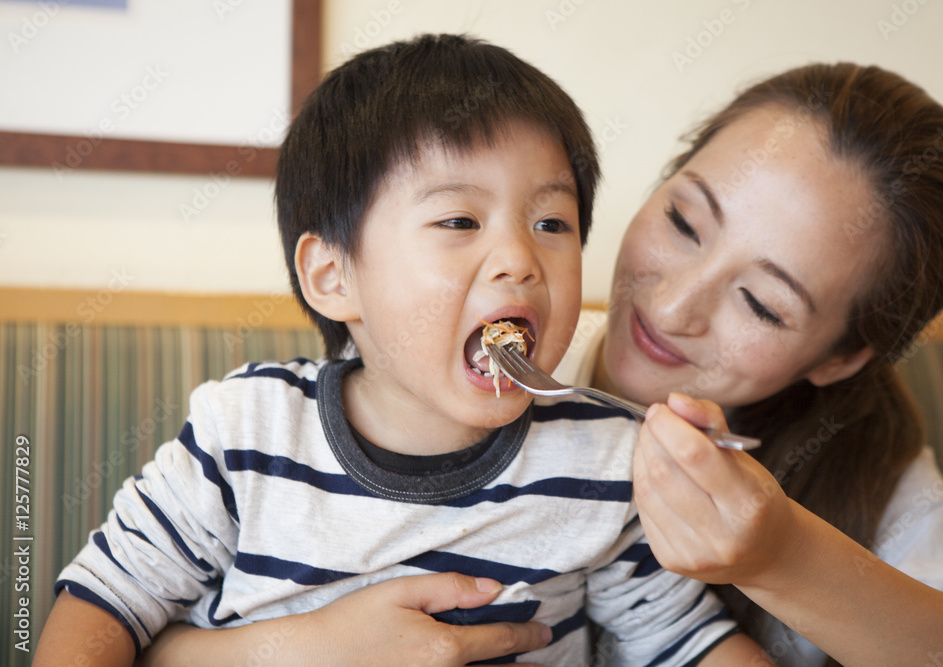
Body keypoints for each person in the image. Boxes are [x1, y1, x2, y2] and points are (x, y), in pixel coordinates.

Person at [140, 60, 943, 667]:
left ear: (843, 355)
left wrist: (779, 558)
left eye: (763, 304)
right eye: (686, 222)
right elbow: (122, 612)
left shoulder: (873, 469)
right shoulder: (277, 423)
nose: (669, 307)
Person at [34, 34, 767, 666]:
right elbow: (103, 605)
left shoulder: (606, 461)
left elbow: (688, 642)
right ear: (333, 275)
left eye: (552, 222)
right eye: (457, 220)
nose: (520, 258)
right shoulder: (245, 432)